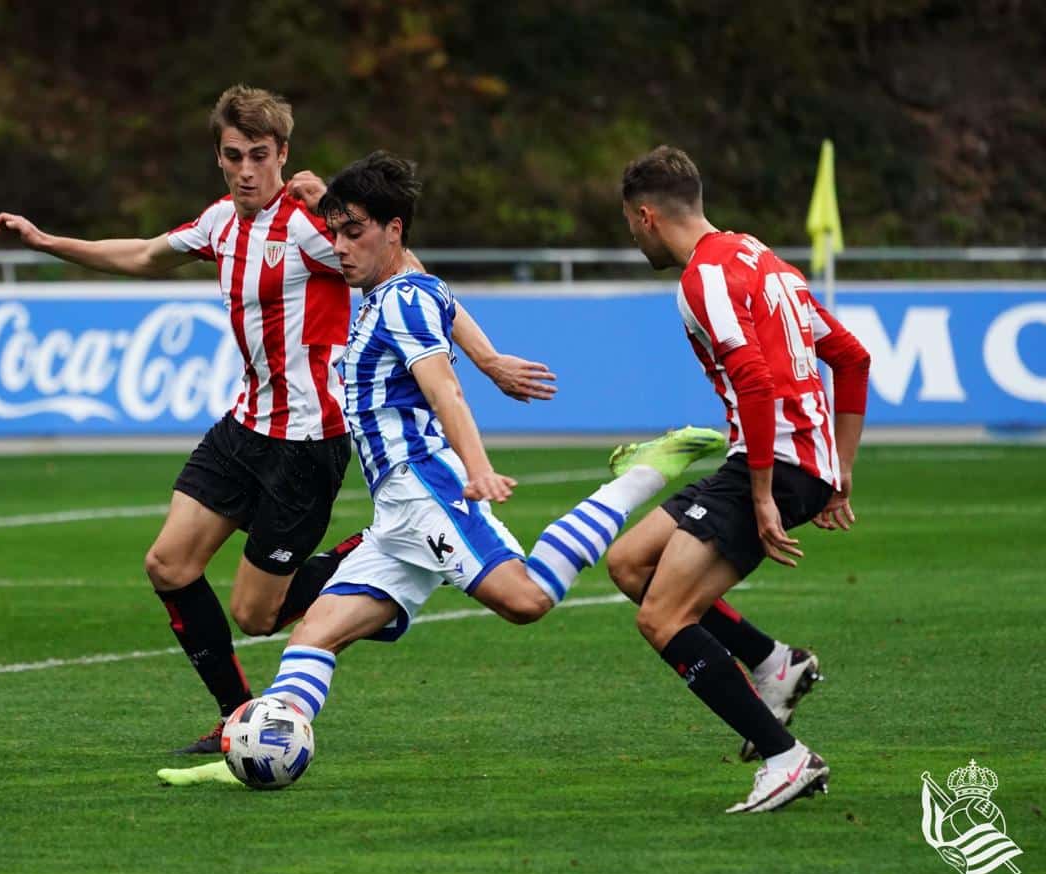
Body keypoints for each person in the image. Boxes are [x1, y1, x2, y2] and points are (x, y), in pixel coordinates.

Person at [0, 87, 558, 754]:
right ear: (220, 159)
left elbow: (413, 282)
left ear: (283, 154)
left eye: (261, 155)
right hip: (245, 426)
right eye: (234, 156)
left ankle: (384, 547)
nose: (247, 170)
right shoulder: (221, 222)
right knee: (168, 564)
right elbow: (143, 254)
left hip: (306, 444)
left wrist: (485, 360)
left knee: (257, 616)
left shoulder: (318, 226)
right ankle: (239, 716)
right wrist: (43, 240)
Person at [157, 150, 723, 787]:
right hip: (394, 515)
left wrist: (477, 469)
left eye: (354, 232)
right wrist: (492, 359)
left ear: (393, 230)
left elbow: (443, 388)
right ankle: (253, 754)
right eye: (335, 232)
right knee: (311, 638)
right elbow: (441, 301)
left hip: (426, 490)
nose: (338, 247)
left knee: (527, 599)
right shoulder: (396, 291)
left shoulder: (398, 300)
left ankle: (644, 473)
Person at [611, 145, 872, 812]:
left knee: (662, 617)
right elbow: (851, 356)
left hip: (774, 465)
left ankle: (786, 759)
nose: (632, 235)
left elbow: (754, 379)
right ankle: (773, 661)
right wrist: (839, 470)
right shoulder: (759, 258)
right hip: (789, 459)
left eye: (628, 224)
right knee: (629, 561)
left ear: (646, 216)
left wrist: (761, 494)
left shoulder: (702, 278)